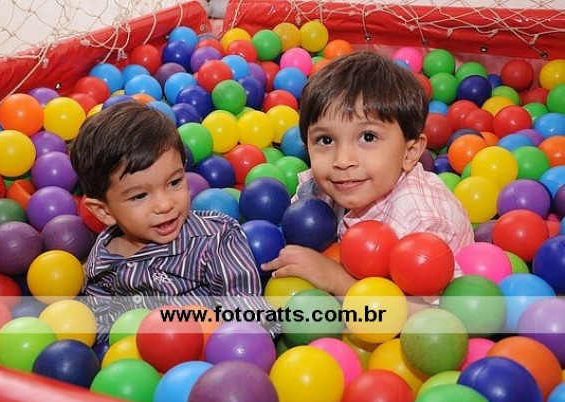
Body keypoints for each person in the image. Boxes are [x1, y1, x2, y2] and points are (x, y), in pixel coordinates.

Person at [262, 51, 474, 297]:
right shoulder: (328, 183)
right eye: (326, 140)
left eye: (368, 137)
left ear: (409, 152)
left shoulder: (420, 224)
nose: (343, 161)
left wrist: (337, 280)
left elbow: (437, 313)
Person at [70, 101, 269, 339]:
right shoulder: (101, 262)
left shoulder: (216, 238)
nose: (165, 205)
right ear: (104, 211)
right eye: (140, 196)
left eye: (174, 182)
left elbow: (246, 309)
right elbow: (101, 329)